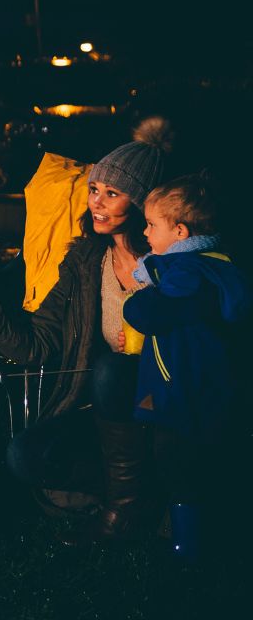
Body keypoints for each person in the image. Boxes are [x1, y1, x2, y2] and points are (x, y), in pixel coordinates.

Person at [0, 117, 172, 543]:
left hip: (164, 410)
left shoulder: (171, 265)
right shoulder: (86, 262)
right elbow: (37, 345)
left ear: (141, 205)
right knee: (24, 455)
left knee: (113, 372)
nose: (97, 203)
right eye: (95, 189)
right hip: (104, 420)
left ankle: (121, 514)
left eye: (113, 193)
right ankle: (143, 498)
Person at [124, 173, 248, 558]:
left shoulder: (186, 273)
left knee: (179, 465)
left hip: (182, 393)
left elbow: (155, 313)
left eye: (151, 224)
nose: (144, 232)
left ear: (179, 231)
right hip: (200, 388)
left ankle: (186, 547)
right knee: (192, 464)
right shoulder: (212, 265)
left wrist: (135, 302)